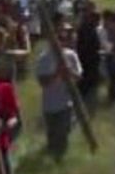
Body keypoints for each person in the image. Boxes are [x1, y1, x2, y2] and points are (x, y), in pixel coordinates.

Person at [34, 22, 82, 160]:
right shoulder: (43, 58)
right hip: (49, 104)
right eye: (58, 38)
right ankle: (51, 155)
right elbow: (42, 82)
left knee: (63, 133)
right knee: (52, 134)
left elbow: (78, 77)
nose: (61, 41)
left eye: (63, 38)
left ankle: (60, 158)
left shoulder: (71, 55)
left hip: (66, 103)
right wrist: (57, 74)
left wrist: (70, 73)